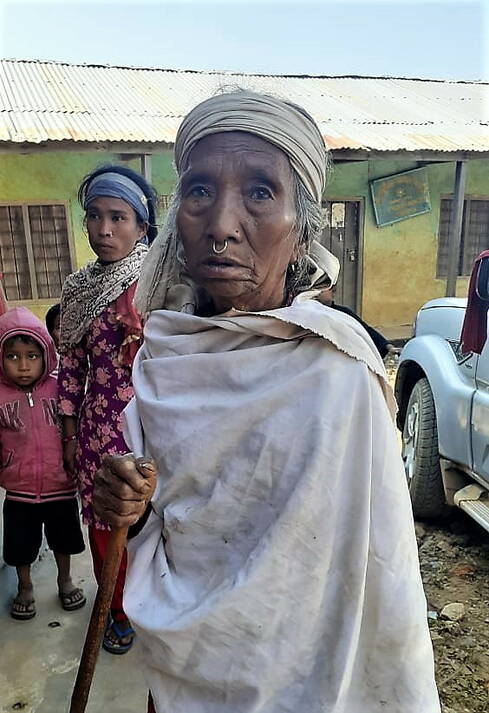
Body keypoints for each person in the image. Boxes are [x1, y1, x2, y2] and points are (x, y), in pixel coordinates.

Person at [93, 91, 440, 712]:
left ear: (302, 225)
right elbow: (166, 517)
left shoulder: (340, 371)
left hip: (306, 668)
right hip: (186, 668)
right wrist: (128, 506)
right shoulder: (166, 355)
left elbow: (378, 562)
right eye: (199, 191)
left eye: (259, 192)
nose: (223, 225)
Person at [58, 165, 158, 654]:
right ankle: (115, 611)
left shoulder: (159, 286)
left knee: (153, 527)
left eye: (118, 217)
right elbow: (72, 367)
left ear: (142, 226)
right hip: (100, 433)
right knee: (105, 527)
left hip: (156, 427)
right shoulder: (79, 291)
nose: (104, 229)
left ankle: (151, 605)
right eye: (94, 217)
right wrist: (71, 434)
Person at [0, 307, 85, 620]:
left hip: (59, 484)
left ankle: (65, 581)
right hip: (19, 489)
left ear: (45, 353)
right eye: (13, 357)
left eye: (31, 356)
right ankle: (25, 587)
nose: (23, 366)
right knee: (20, 545)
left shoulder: (59, 386)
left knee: (63, 540)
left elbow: (73, 422)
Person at [317, 287, 400, 359]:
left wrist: (388, 347)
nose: (317, 292)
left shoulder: (343, 313)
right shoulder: (307, 313)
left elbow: (364, 329)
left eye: (323, 289)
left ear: (333, 292)